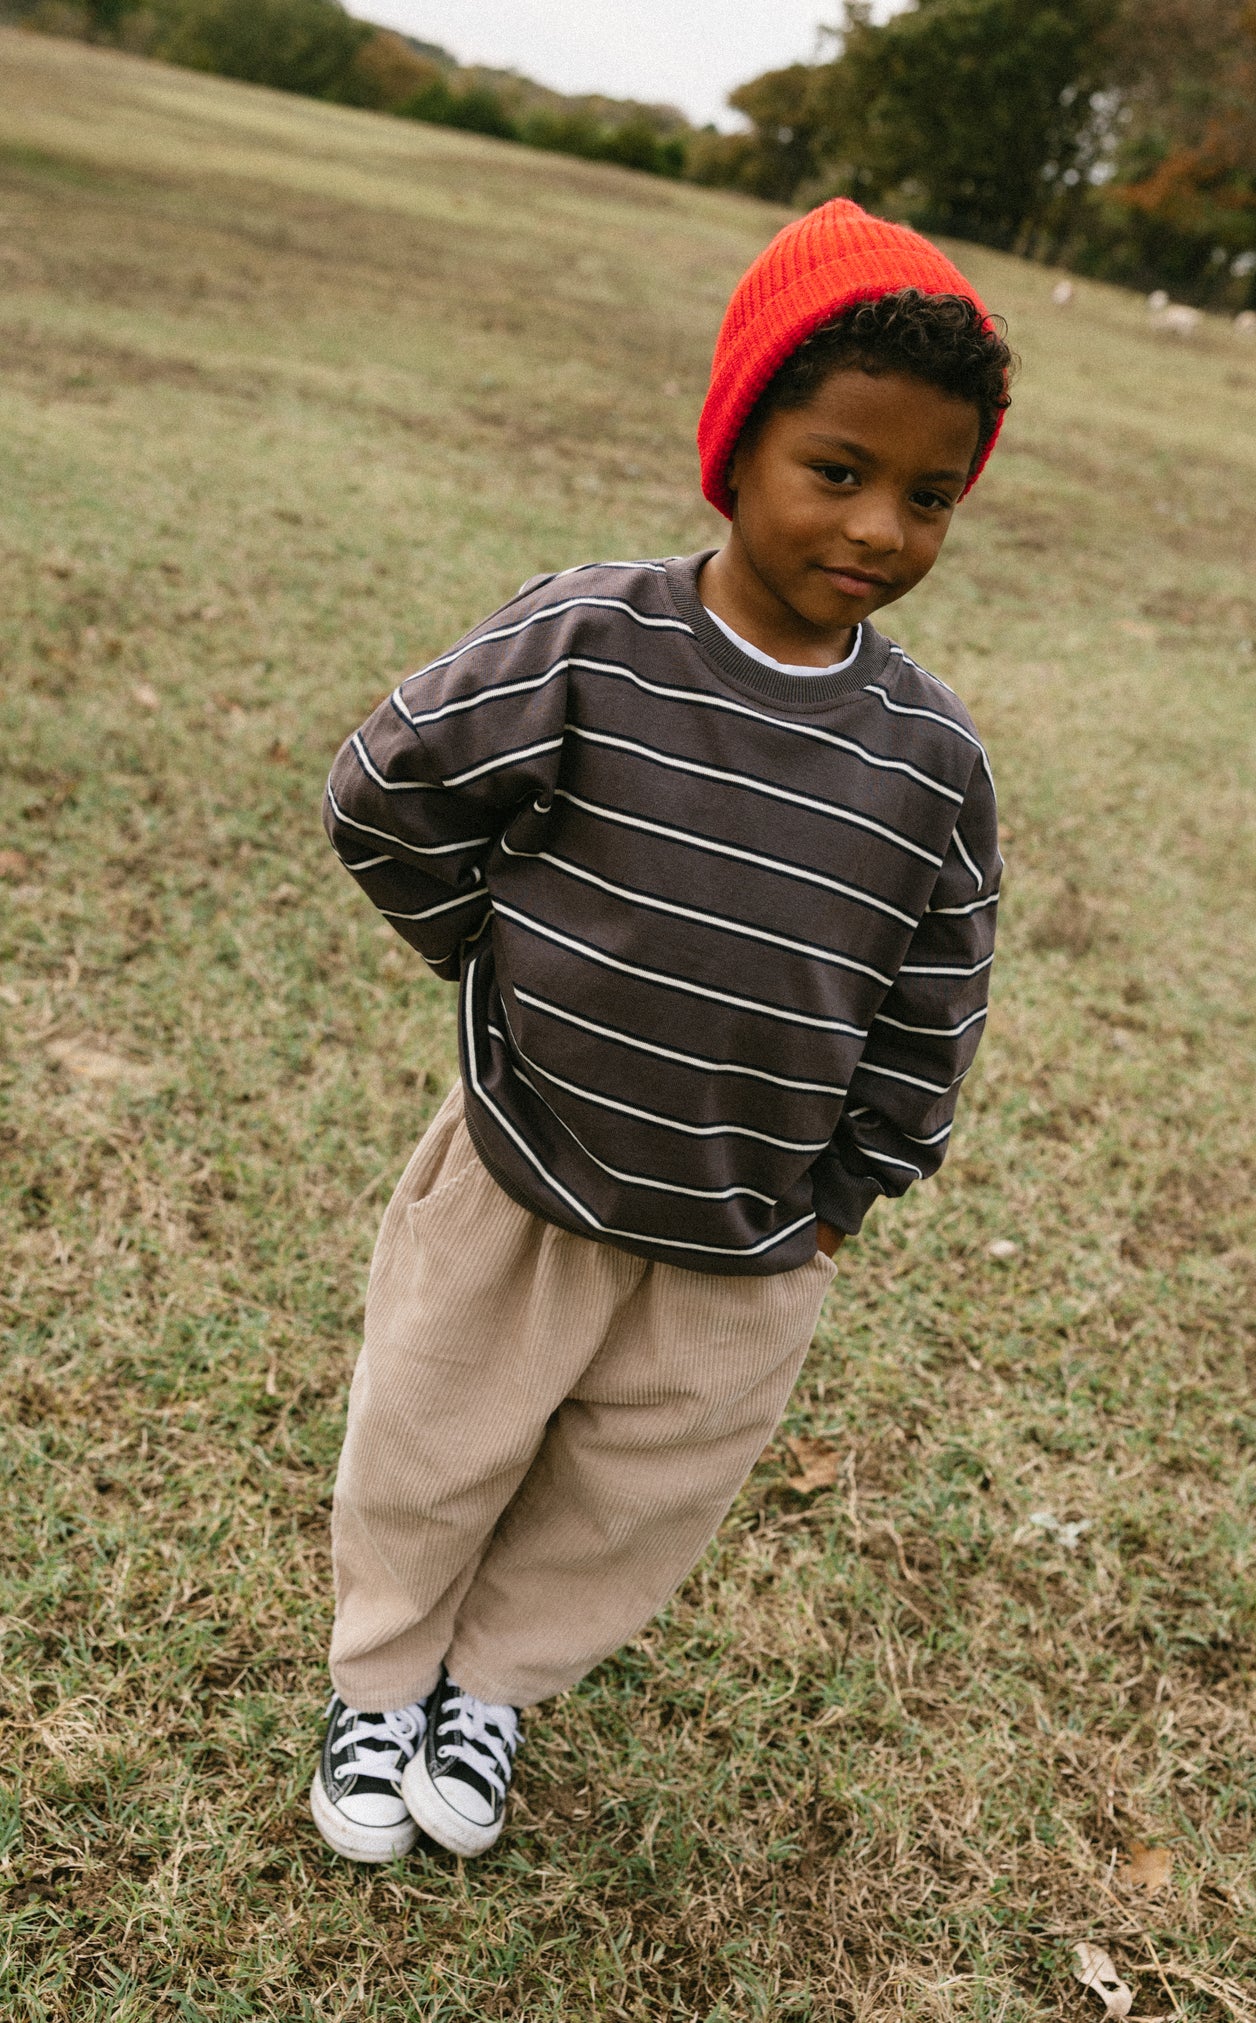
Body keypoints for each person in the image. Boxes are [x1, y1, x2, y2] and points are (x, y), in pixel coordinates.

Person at [310, 197, 1013, 1862]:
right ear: (737, 447)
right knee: (431, 1438)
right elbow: (385, 794)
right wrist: (484, 962)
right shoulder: (592, 635)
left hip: (747, 1230)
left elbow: (937, 990)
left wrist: (851, 1190)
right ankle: (381, 1676)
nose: (879, 527)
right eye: (834, 470)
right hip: (524, 1160)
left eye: (929, 495)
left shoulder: (929, 760)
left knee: (636, 1493)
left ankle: (491, 1684)